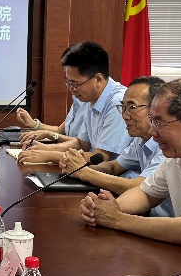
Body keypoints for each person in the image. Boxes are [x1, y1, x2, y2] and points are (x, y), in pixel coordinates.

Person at [80, 77, 181, 246]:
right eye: (151, 120)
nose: (152, 131)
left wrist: (117, 219)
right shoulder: (178, 151)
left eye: (159, 123)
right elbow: (146, 194)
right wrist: (105, 208)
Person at [59, 75, 173, 216]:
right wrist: (80, 164)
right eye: (123, 108)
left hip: (164, 221)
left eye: (132, 107)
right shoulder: (141, 138)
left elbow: (140, 187)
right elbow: (114, 167)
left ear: (156, 109)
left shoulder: (167, 146)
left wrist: (83, 172)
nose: (125, 116)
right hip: (147, 215)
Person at [16, 41, 127, 165]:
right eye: (68, 83)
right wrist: (44, 148)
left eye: (75, 84)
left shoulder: (118, 104)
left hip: (114, 174)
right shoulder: (92, 98)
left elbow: (100, 157)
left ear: (98, 79)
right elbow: (82, 143)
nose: (71, 89)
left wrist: (48, 155)